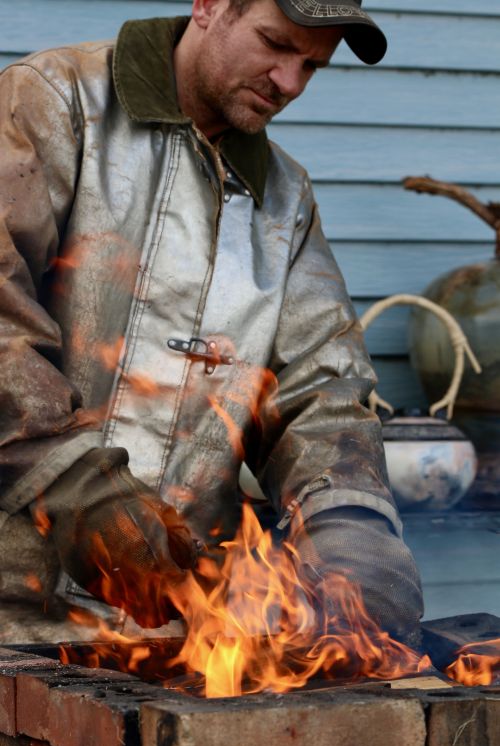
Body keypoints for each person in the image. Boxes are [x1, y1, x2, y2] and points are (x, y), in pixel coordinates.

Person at [0, 0, 424, 645]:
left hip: (175, 640)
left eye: (313, 64)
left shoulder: (284, 195)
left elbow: (321, 388)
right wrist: (72, 485)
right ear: (209, 7)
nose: (290, 83)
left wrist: (349, 527)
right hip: (14, 622)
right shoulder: (52, 99)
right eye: (274, 44)